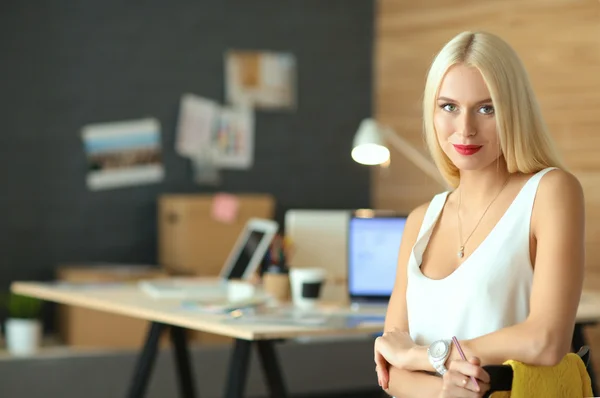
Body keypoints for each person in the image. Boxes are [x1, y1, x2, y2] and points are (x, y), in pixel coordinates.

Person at [373, 30, 586, 398]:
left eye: (487, 108)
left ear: (513, 111)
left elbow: (547, 340)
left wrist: (425, 355)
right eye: (449, 106)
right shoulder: (419, 222)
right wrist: (444, 392)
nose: (465, 129)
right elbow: (392, 371)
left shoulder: (550, 192)